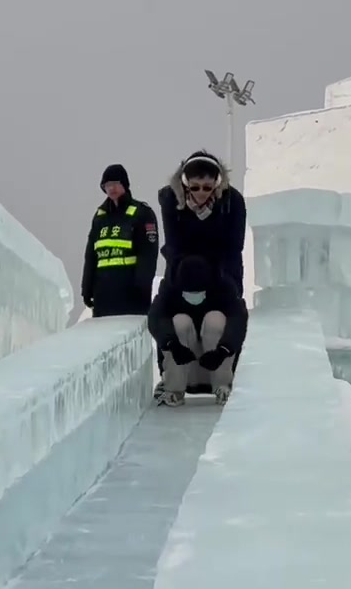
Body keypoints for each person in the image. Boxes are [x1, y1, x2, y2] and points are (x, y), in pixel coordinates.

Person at [148, 255, 248, 406]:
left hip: (217, 365)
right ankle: (173, 390)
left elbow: (238, 320)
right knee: (180, 321)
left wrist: (223, 350)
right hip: (185, 368)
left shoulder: (224, 289)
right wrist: (172, 344)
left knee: (215, 318)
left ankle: (223, 387)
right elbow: (156, 318)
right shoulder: (170, 290)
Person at [157, 150, 247, 294]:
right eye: (195, 187)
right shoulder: (170, 199)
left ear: (217, 184)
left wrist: (231, 290)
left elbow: (234, 248)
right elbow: (174, 244)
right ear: (185, 184)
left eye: (207, 187)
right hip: (183, 268)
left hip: (221, 269)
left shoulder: (232, 201)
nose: (201, 192)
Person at [81, 164, 159, 317]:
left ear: (124, 184)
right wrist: (87, 288)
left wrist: (142, 286)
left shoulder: (142, 213)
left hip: (131, 295)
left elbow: (148, 253)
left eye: (115, 183)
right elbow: (91, 255)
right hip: (103, 296)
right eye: (107, 185)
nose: (111, 188)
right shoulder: (100, 217)